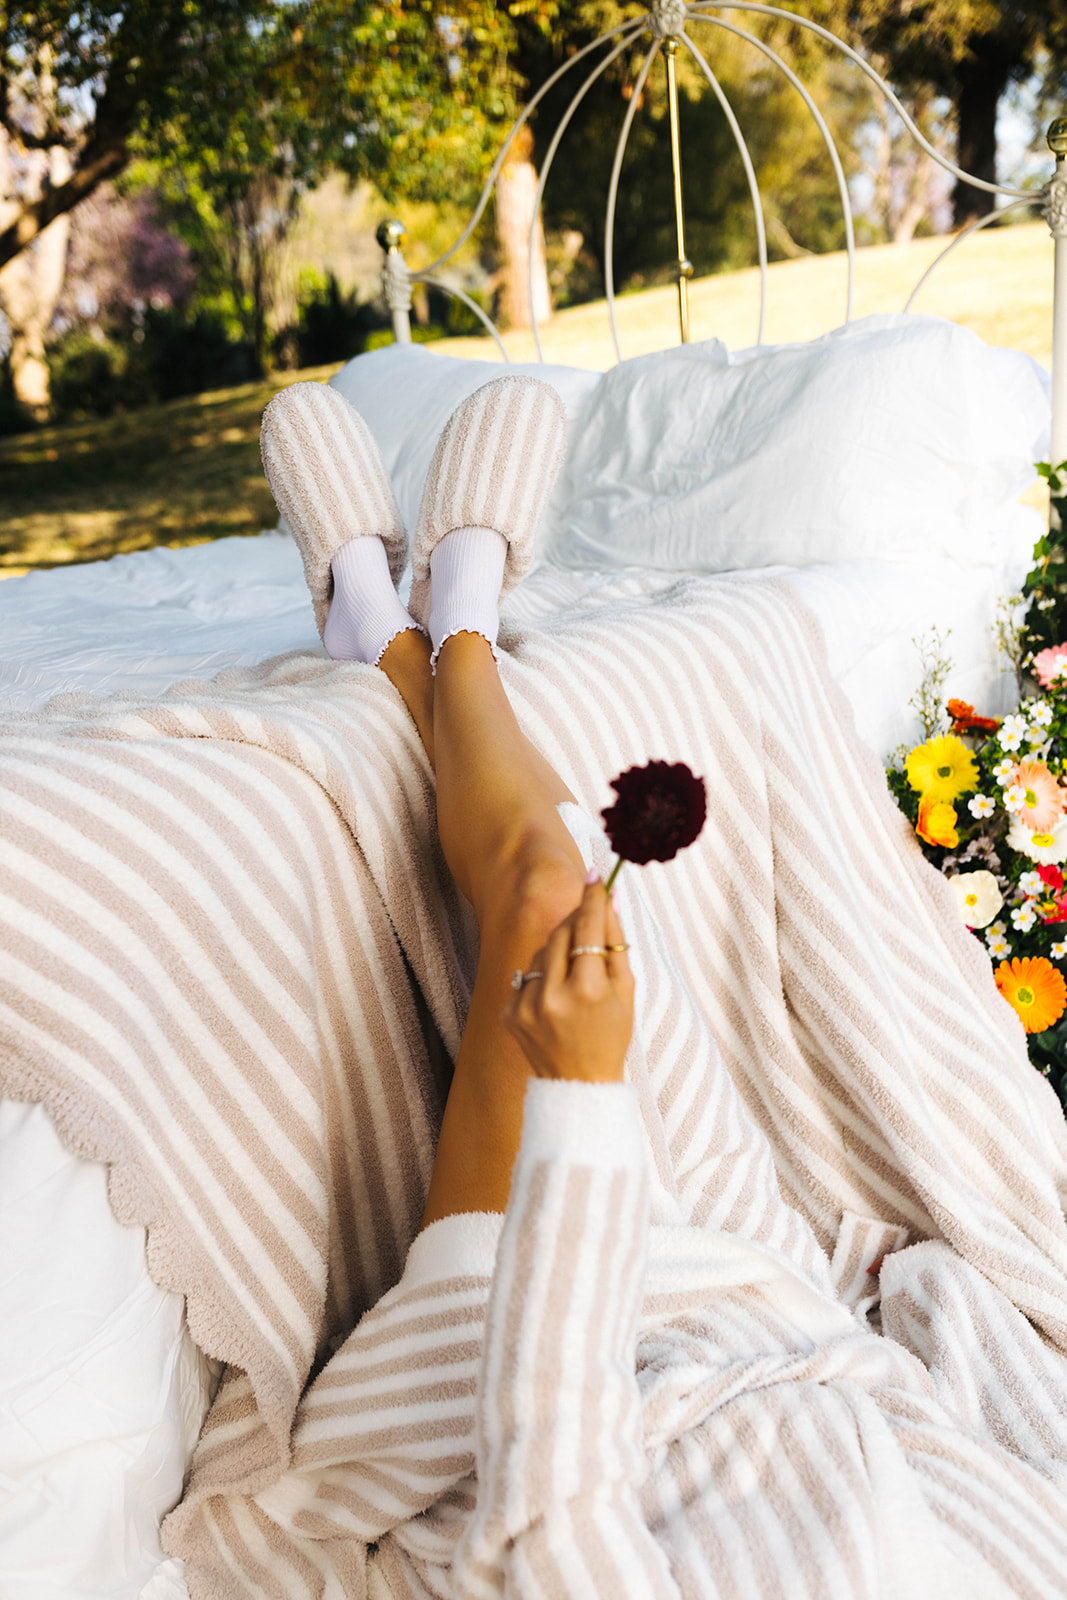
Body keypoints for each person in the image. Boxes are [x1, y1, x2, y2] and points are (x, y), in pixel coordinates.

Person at [257, 375, 1067, 1600]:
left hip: (509, 1375)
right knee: (608, 913)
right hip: (761, 1309)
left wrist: (582, 1105)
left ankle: (423, 626)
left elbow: (546, 1535)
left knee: (547, 899)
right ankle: (398, 627)